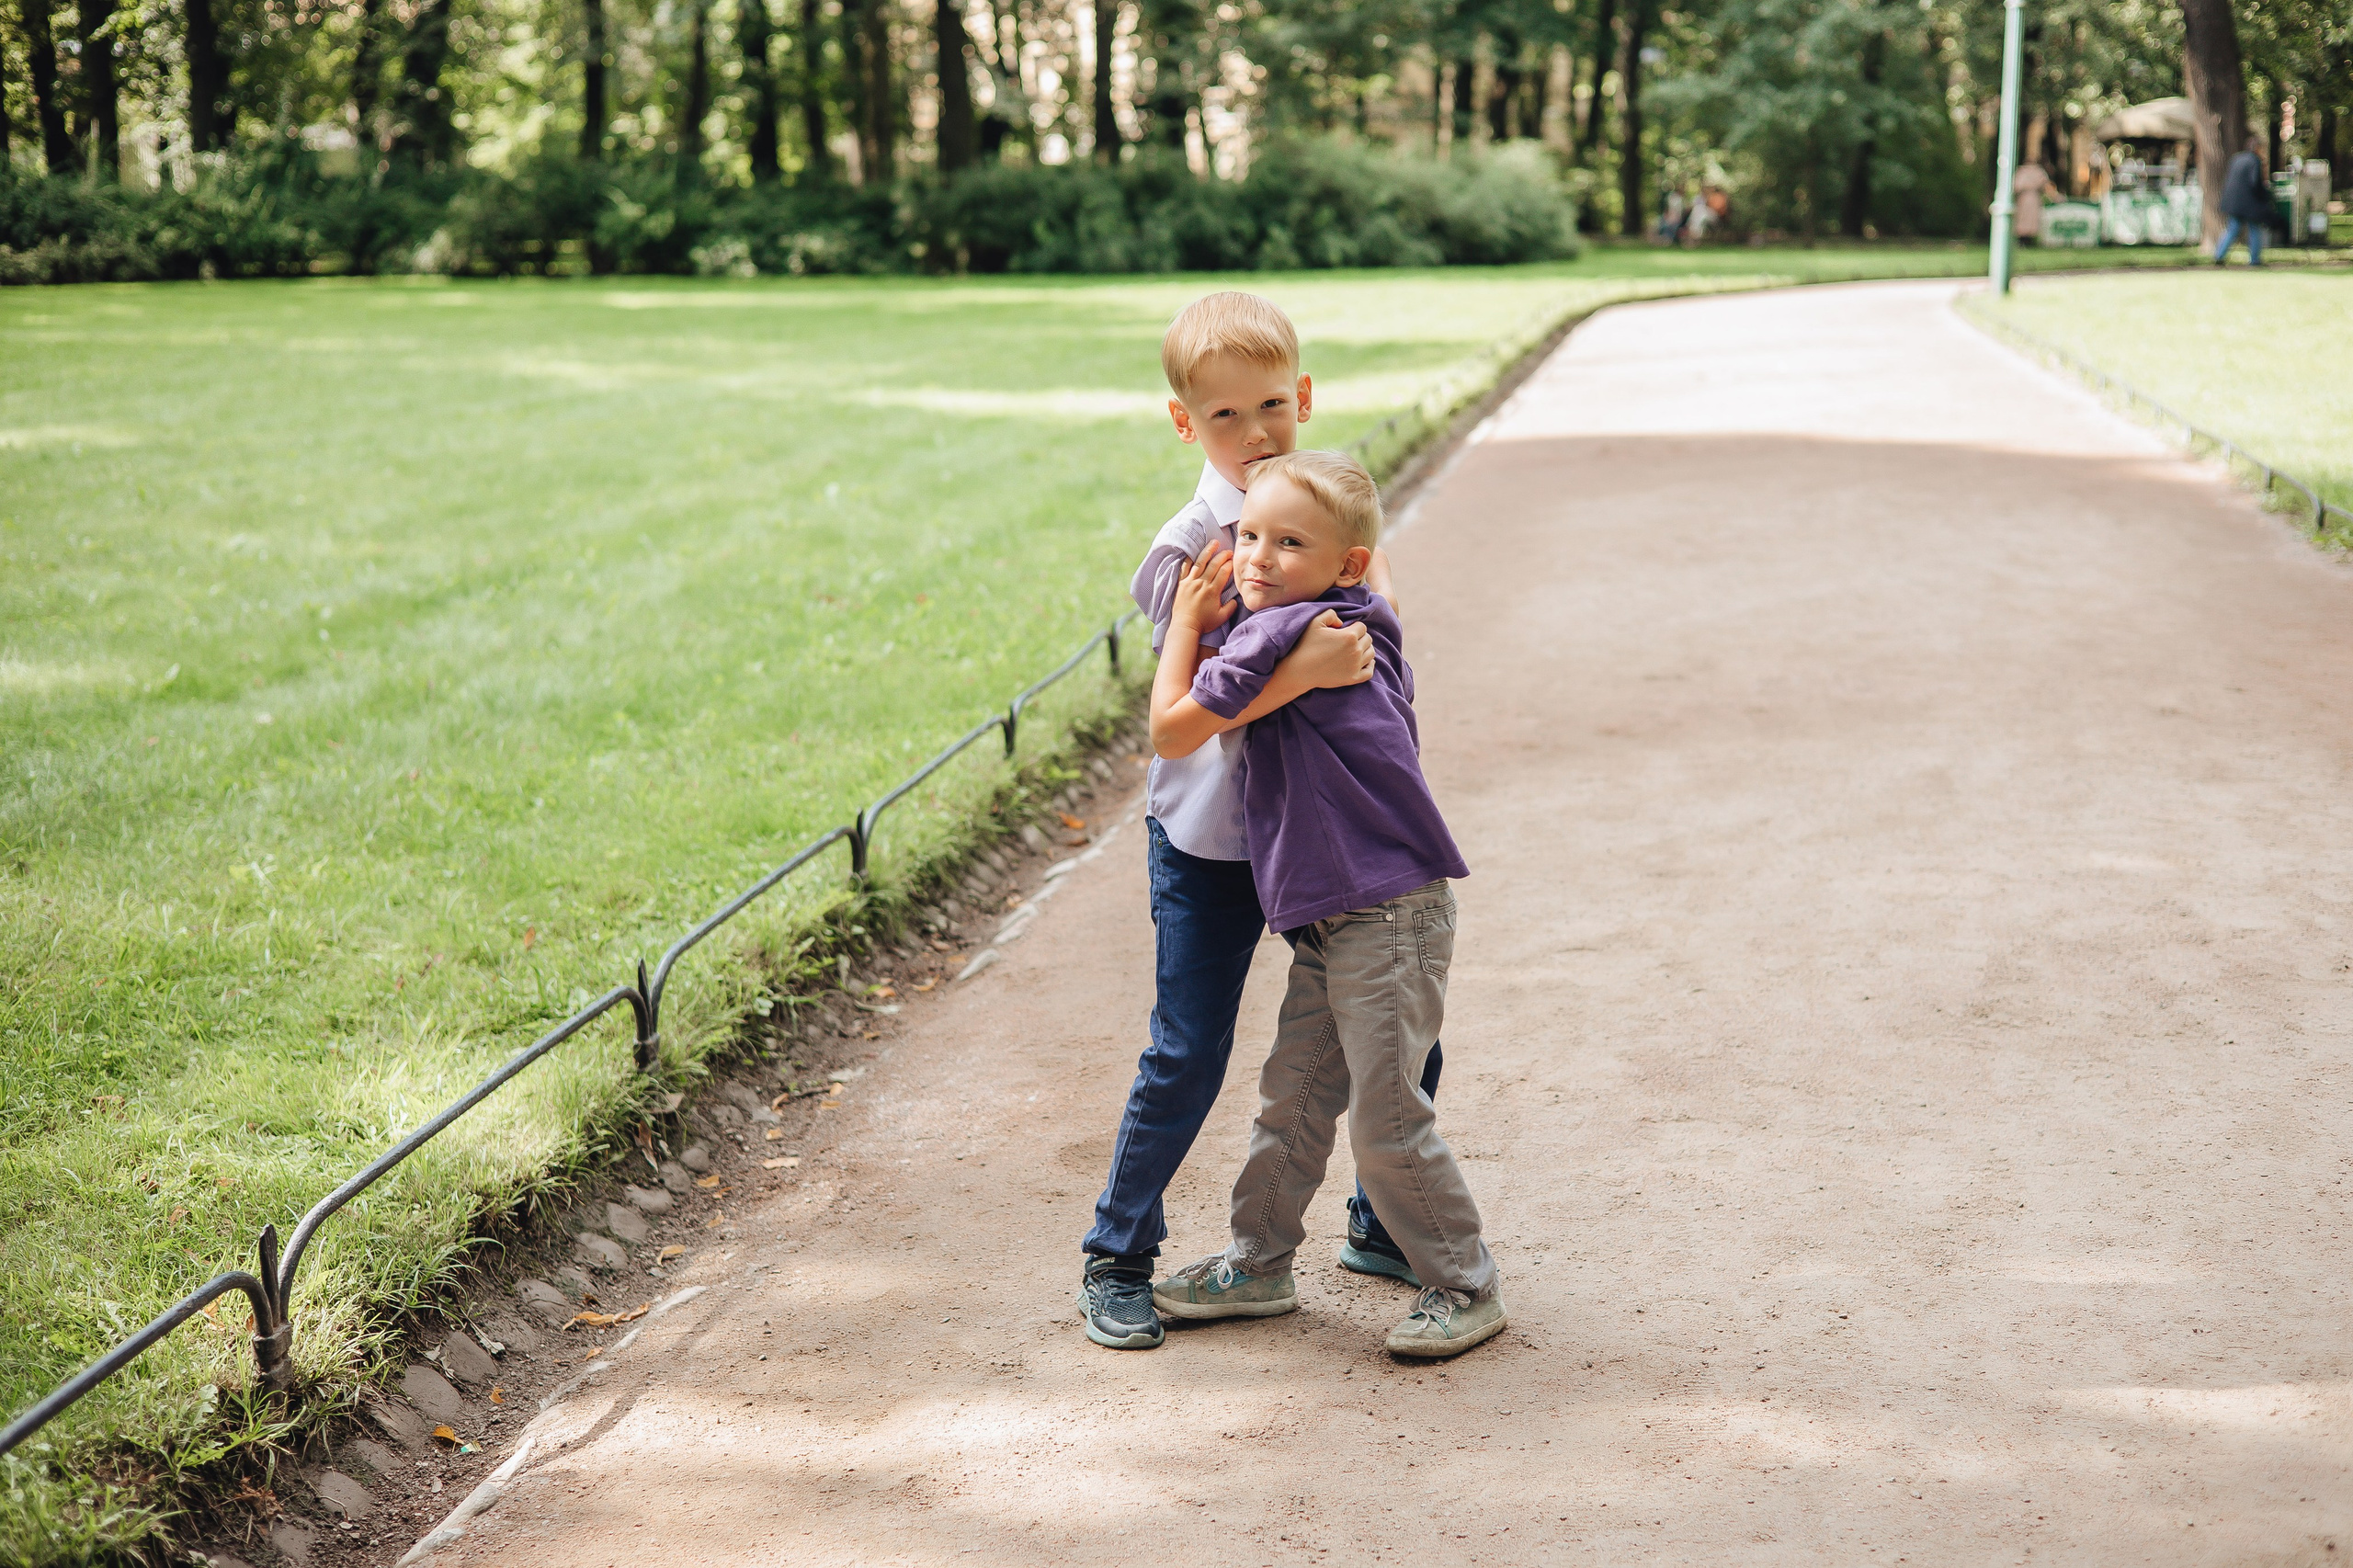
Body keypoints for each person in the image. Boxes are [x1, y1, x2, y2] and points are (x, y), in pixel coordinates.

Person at [1076, 293, 1445, 1351]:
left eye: (1274, 406)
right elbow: (1192, 713)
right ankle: (1117, 1251)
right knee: (1188, 1046)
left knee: (1396, 1025)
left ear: (1307, 395)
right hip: (1216, 844)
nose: (1257, 434)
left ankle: (1380, 1222)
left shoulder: (1328, 507)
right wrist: (1310, 670)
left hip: (1329, 831)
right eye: (1226, 417)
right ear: (1186, 424)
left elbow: (1372, 642)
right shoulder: (1193, 547)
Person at [1145, 449, 1506, 1360]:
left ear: (1341, 563)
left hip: (1382, 914)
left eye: (1289, 542)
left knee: (1383, 1120)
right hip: (1342, 916)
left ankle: (1463, 1280)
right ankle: (1258, 1262)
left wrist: (1188, 621)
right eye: (1251, 534)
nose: (1258, 557)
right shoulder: (1362, 620)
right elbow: (1372, 581)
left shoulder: (1277, 634)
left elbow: (1172, 728)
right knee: (1293, 1102)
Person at [2215, 133, 2270, 267]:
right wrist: (2265, 195)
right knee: (2254, 228)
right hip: (2248, 203)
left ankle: (2219, 255)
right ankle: (2255, 259)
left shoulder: (2236, 158)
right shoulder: (2254, 161)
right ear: (2256, 148)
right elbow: (2255, 182)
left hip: (2232, 202)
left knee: (2232, 229)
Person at [2014, 161, 2052, 244]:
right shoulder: (2022, 171)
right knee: (2023, 218)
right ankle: (2023, 238)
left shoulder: (2037, 171)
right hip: (2024, 199)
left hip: (2033, 198)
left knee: (2031, 218)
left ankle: (2029, 238)